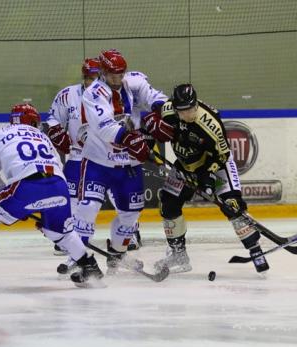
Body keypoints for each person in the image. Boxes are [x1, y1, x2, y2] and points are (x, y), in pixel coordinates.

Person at [0, 103, 103, 291]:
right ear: (34, 122)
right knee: (60, 231)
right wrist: (41, 207)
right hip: (59, 185)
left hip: (27, 185)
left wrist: (17, 206)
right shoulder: (43, 137)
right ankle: (90, 267)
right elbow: (57, 168)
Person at [142, 83, 270, 274]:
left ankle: (255, 250)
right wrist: (146, 143)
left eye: (191, 109)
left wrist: (207, 177)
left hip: (215, 167)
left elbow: (223, 156)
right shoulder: (168, 111)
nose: (188, 114)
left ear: (196, 104)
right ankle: (178, 254)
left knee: (232, 205)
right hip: (185, 166)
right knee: (168, 203)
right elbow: (149, 124)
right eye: (183, 111)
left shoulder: (210, 124)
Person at [77, 49, 168, 271]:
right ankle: (78, 260)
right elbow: (105, 127)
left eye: (120, 75)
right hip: (98, 161)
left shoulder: (134, 81)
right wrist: (132, 140)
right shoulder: (93, 93)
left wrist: (165, 112)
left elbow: (155, 97)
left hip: (128, 164)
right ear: (103, 73)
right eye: (112, 76)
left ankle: (117, 255)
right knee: (88, 207)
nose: (117, 80)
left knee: (130, 215)